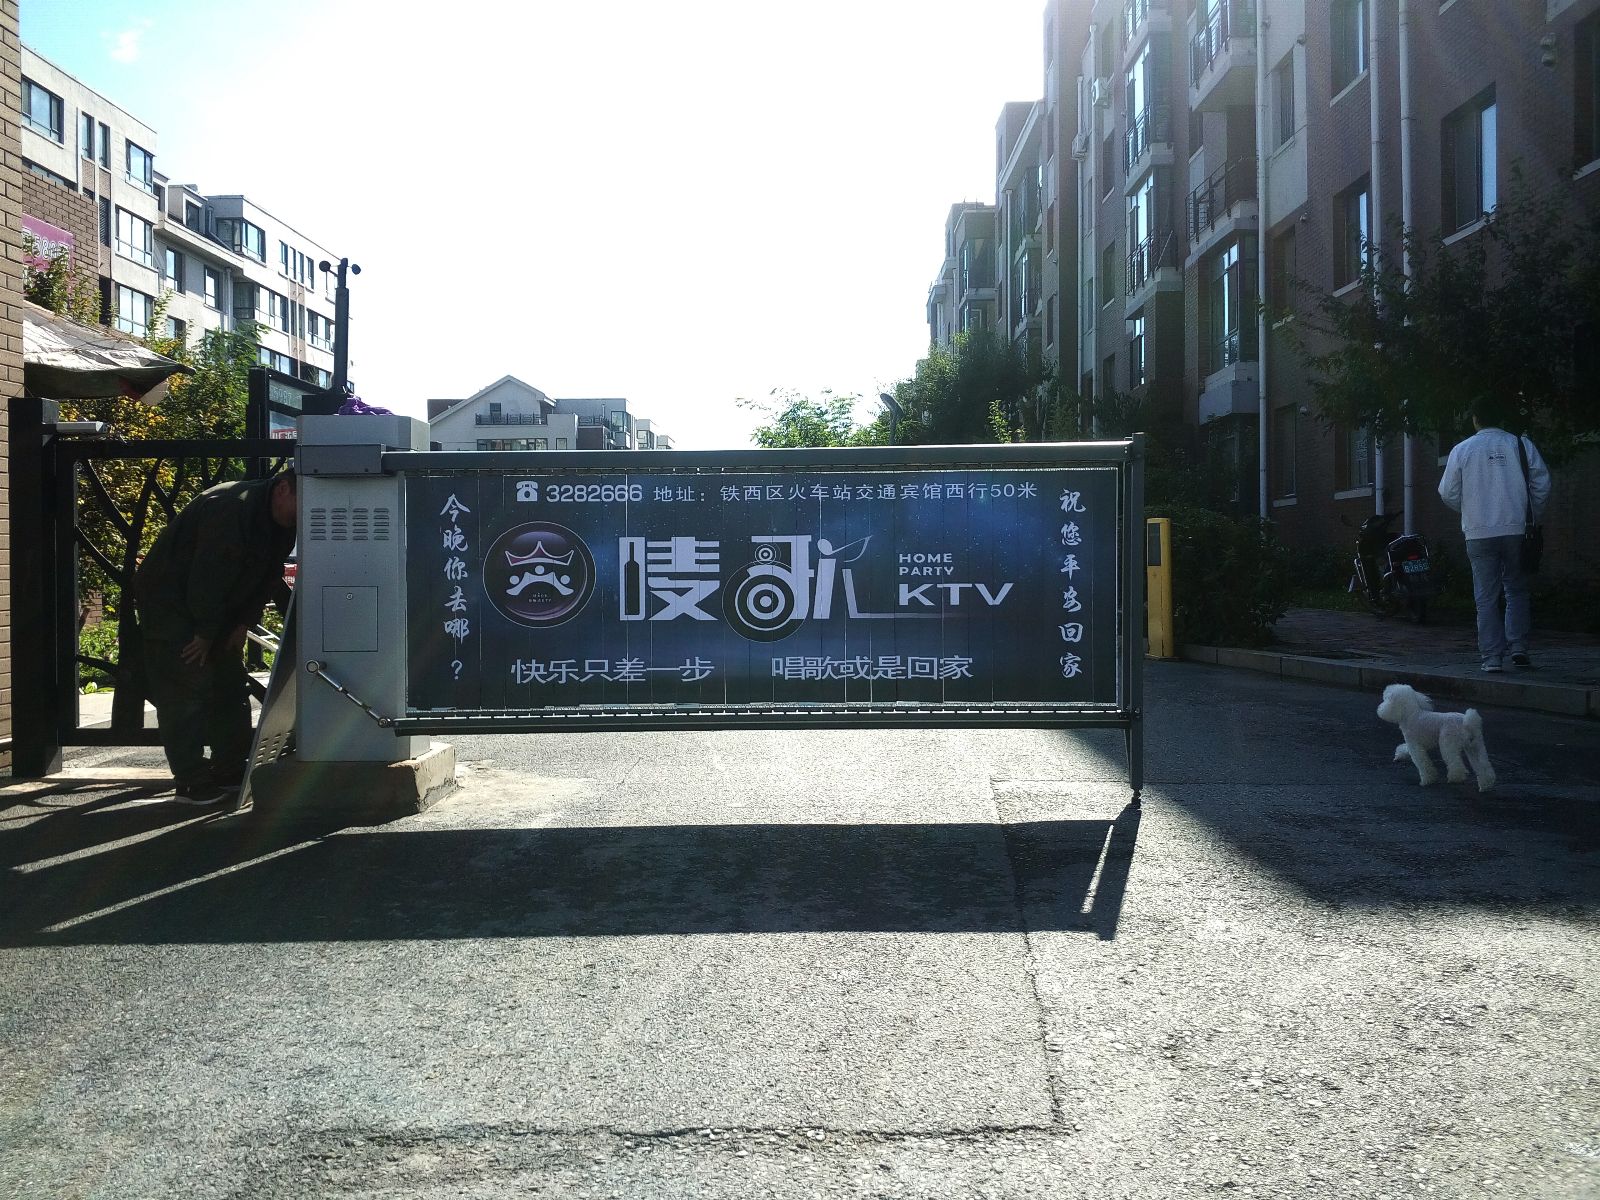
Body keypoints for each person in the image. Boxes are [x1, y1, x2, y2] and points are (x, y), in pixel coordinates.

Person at [135, 470, 297, 805]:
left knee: (230, 687)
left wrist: (243, 623)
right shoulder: (229, 507)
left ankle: (228, 768)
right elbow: (207, 575)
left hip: (218, 609)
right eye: (302, 504)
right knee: (185, 689)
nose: (304, 515)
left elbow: (269, 572)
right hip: (173, 606)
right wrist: (206, 633)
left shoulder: (280, 520)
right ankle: (191, 780)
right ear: (283, 489)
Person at [1438, 400, 1551, 674]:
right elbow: (1542, 484)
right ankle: (1519, 647)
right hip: (1517, 529)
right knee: (1516, 589)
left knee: (1485, 596)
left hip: (1478, 532)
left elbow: (1447, 492)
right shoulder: (1521, 445)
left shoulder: (1462, 449)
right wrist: (1531, 515)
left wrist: (1470, 510)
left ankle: (1491, 658)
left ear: (1475, 418)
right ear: (1501, 418)